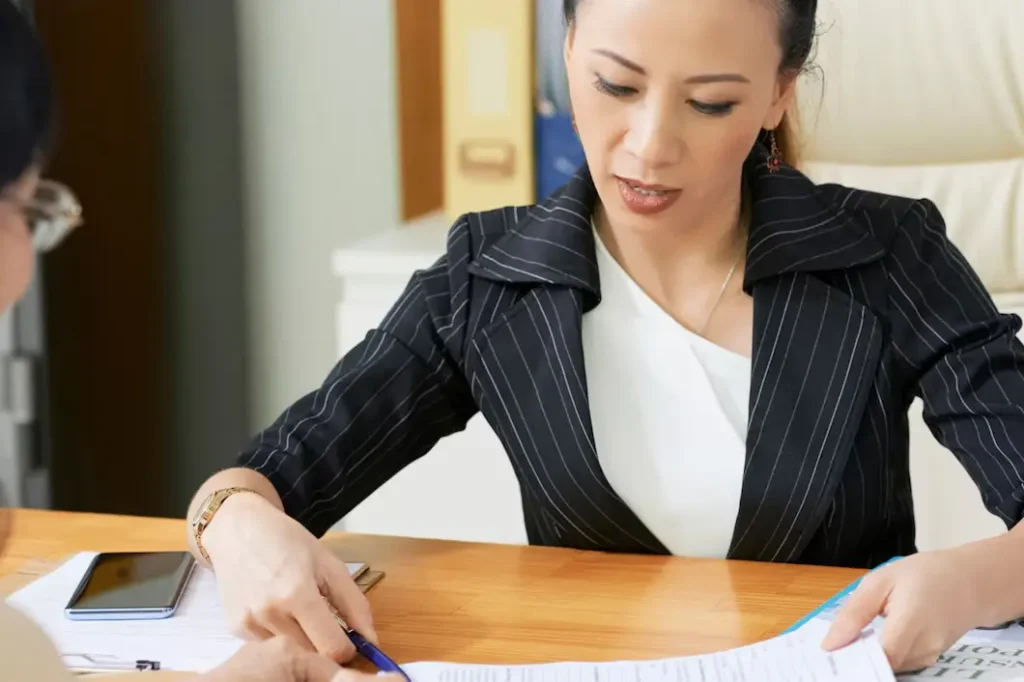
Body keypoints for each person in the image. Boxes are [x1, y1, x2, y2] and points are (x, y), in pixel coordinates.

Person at [187, 0, 1024, 674]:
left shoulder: (887, 255)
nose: (651, 145)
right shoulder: (491, 277)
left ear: (777, 93)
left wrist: (974, 579)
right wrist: (238, 524)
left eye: (711, 102)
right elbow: (263, 482)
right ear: (570, 43)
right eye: (617, 86)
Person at [0, 2, 390, 681]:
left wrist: (232, 518)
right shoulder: (490, 272)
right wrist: (232, 511)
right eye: (24, 204)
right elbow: (305, 449)